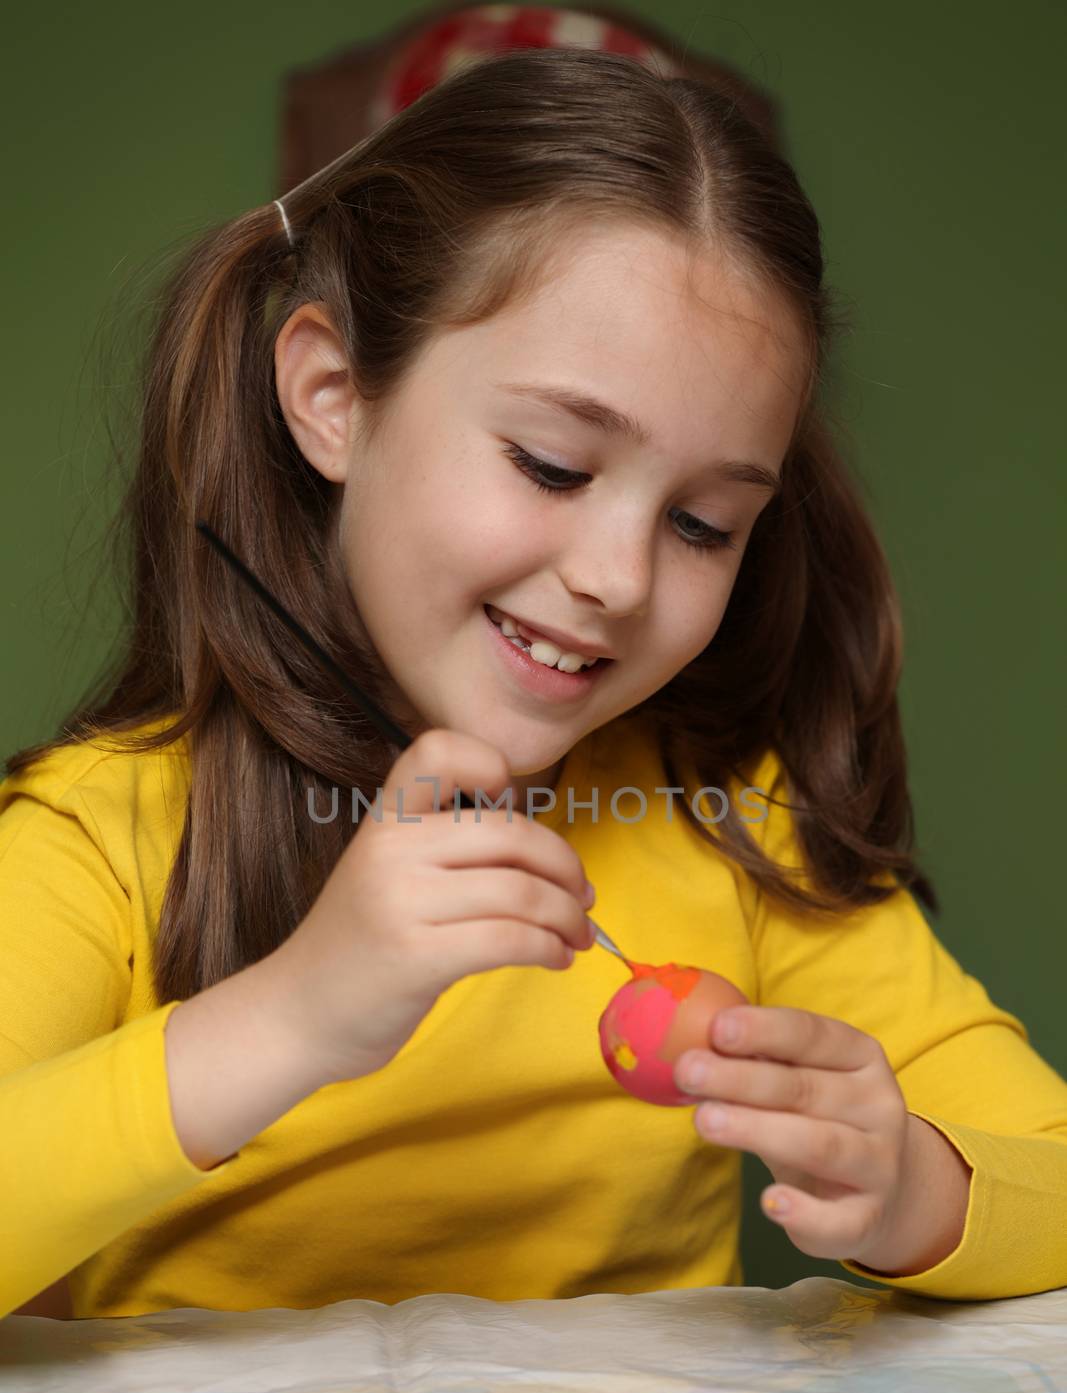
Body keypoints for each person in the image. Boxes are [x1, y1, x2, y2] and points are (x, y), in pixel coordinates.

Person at [2, 47, 1065, 1322]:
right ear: (334, 398)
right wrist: (292, 1016)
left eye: (703, 525)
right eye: (553, 466)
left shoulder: (732, 823)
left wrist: (910, 1189)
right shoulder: (101, 838)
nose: (616, 576)